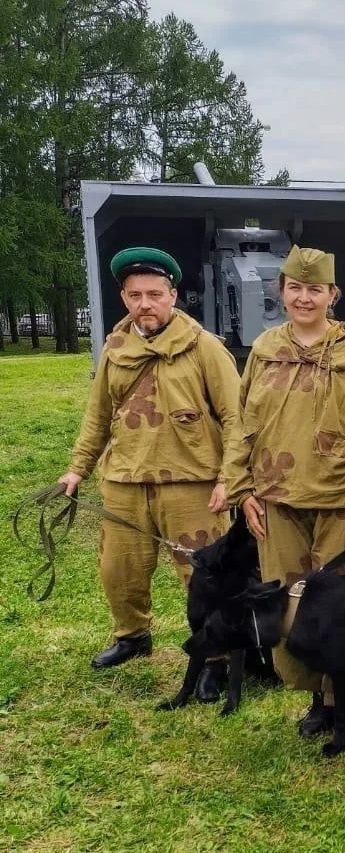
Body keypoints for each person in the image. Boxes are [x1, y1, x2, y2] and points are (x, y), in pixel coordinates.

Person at [223, 245, 345, 737]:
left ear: (332, 294)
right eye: (295, 288)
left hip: (343, 501)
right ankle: (317, 696)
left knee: (338, 609)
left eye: (315, 289)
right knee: (289, 607)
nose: (304, 298)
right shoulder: (264, 349)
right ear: (281, 292)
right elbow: (242, 424)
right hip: (277, 502)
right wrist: (241, 488)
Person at [57, 247, 241, 687]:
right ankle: (132, 636)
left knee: (204, 576)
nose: (145, 304)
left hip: (191, 481)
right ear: (124, 298)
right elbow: (98, 414)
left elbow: (237, 417)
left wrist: (230, 478)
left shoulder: (203, 347)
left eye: (155, 294)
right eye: (135, 295)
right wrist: (78, 468)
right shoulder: (115, 348)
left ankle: (216, 657)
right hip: (125, 478)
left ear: (172, 295)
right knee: (119, 569)